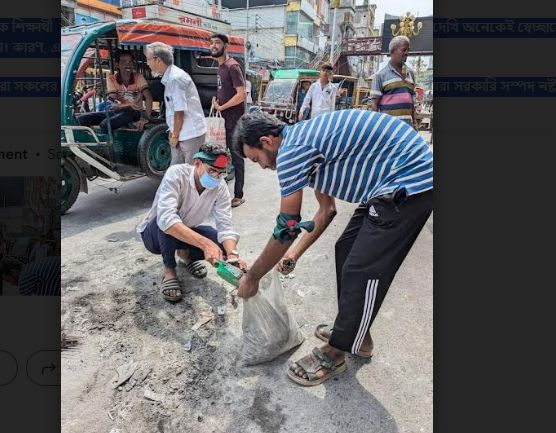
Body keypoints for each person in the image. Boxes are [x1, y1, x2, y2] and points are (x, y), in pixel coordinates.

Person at [233, 109, 433, 386]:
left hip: (411, 183)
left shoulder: (292, 151)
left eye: (257, 159)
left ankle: (338, 350)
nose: (263, 167)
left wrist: (252, 277)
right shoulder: (308, 148)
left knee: (362, 269)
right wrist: (294, 254)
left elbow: (286, 228)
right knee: (346, 250)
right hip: (387, 184)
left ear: (267, 141)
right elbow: (326, 211)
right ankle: (354, 334)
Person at [136, 143, 248, 303]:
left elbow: (225, 225)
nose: (216, 177)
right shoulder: (176, 174)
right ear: (197, 163)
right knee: (168, 224)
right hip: (155, 234)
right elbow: (166, 219)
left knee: (220, 243)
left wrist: (232, 255)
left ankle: (185, 255)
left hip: (187, 231)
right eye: (212, 171)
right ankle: (169, 270)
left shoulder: (220, 187)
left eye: (221, 173)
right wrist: (205, 244)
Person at [145, 42, 207, 165]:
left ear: (158, 60)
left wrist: (174, 135)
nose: (147, 63)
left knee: (189, 174)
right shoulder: (171, 77)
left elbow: (179, 111)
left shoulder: (175, 79)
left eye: (148, 59)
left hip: (189, 134)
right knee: (176, 172)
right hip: (182, 133)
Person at [209, 33, 247, 208]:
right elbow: (223, 90)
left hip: (234, 121)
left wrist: (222, 107)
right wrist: (216, 101)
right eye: (211, 43)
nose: (213, 46)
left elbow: (241, 95)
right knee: (218, 156)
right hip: (222, 121)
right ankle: (214, 193)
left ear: (225, 46)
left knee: (237, 157)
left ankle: (238, 195)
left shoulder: (233, 66)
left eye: (217, 43)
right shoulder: (220, 67)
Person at [77, 51, 153, 133]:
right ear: (117, 65)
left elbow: (148, 97)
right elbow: (112, 102)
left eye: (130, 62)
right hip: (118, 111)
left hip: (135, 112)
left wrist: (146, 118)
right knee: (82, 119)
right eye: (124, 62)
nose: (128, 65)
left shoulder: (138, 77)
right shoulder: (111, 79)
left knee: (105, 124)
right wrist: (127, 104)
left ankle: (109, 145)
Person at [369, 35, 417, 128]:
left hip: (407, 128)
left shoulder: (411, 74)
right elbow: (374, 105)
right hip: (388, 129)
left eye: (408, 50)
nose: (407, 53)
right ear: (392, 51)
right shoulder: (380, 75)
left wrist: (414, 124)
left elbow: (412, 103)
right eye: (404, 50)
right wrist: (375, 128)